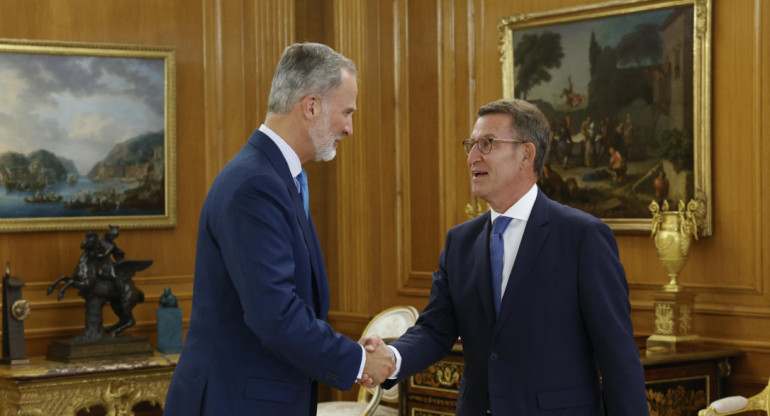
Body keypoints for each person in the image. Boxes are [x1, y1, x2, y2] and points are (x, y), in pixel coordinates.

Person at [372, 98, 648, 415]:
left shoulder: (582, 237)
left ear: (525, 155)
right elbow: (435, 329)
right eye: (471, 145)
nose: (472, 157)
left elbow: (618, 358)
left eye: (487, 144)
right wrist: (392, 358)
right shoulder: (461, 242)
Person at [164, 43, 394, 416]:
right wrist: (357, 360)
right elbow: (275, 315)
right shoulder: (256, 184)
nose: (350, 128)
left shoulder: (279, 178)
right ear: (312, 105)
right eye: (347, 112)